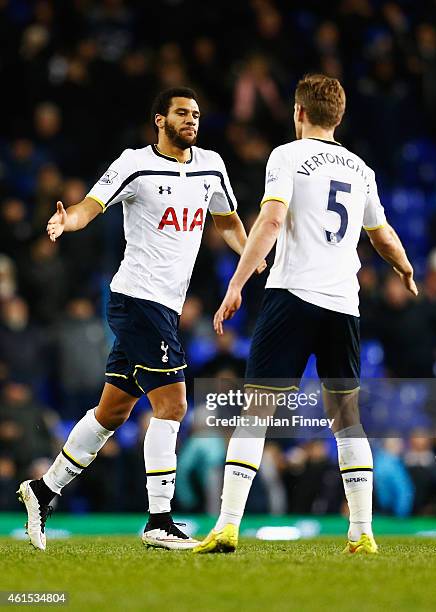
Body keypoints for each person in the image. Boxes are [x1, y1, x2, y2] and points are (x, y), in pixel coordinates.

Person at [18, 86, 265, 551]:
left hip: (165, 308)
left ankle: (43, 490)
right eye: (181, 114)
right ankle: (159, 520)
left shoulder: (212, 166)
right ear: (159, 120)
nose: (191, 120)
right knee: (173, 405)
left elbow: (228, 220)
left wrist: (252, 255)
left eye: (195, 114)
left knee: (112, 412)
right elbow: (90, 207)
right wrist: (65, 222)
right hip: (136, 299)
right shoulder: (134, 163)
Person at [194, 74, 418, 555]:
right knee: (346, 419)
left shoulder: (287, 156)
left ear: (299, 113)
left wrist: (236, 283)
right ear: (338, 116)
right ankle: (362, 532)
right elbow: (381, 235)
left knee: (255, 411)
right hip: (343, 305)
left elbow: (272, 221)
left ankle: (228, 525)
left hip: (293, 295)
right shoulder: (361, 169)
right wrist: (404, 267)